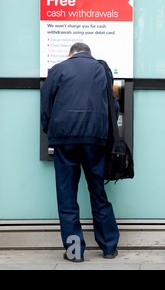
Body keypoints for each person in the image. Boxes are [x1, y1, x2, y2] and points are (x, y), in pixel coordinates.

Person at [41, 43, 120, 262]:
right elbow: (113, 107)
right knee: (98, 193)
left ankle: (75, 252)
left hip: (65, 141)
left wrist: (51, 130)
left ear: (71, 54)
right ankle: (109, 247)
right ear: (88, 53)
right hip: (95, 140)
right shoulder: (102, 69)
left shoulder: (59, 69)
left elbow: (46, 103)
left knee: (67, 197)